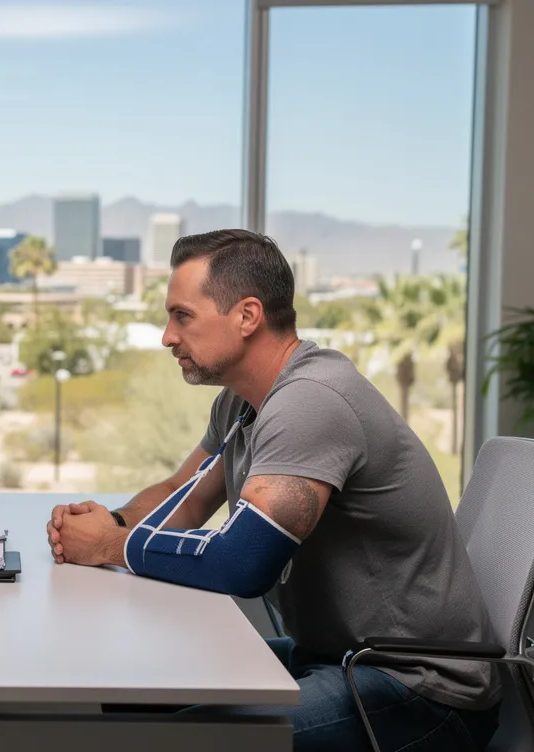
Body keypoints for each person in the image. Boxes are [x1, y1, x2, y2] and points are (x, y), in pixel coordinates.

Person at [46, 229, 500, 751]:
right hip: (333, 654)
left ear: (247, 315)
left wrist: (109, 545)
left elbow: (242, 564)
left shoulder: (311, 402)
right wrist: (109, 523)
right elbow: (185, 495)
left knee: (164, 741)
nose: (167, 336)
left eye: (182, 316)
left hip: (416, 688)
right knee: (131, 687)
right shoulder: (244, 402)